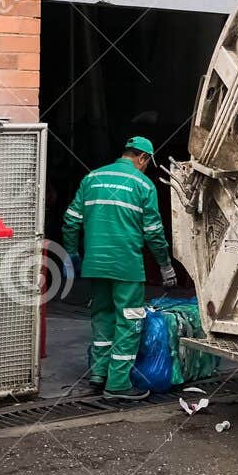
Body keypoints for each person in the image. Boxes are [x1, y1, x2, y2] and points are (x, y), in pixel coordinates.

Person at [61, 135, 178, 399]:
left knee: (102, 317)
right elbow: (154, 232)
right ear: (142, 158)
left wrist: (73, 255)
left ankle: (98, 374)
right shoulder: (143, 185)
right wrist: (165, 265)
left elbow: (70, 221)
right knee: (130, 322)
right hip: (126, 266)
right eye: (147, 163)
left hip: (95, 264)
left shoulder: (92, 179)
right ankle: (117, 384)